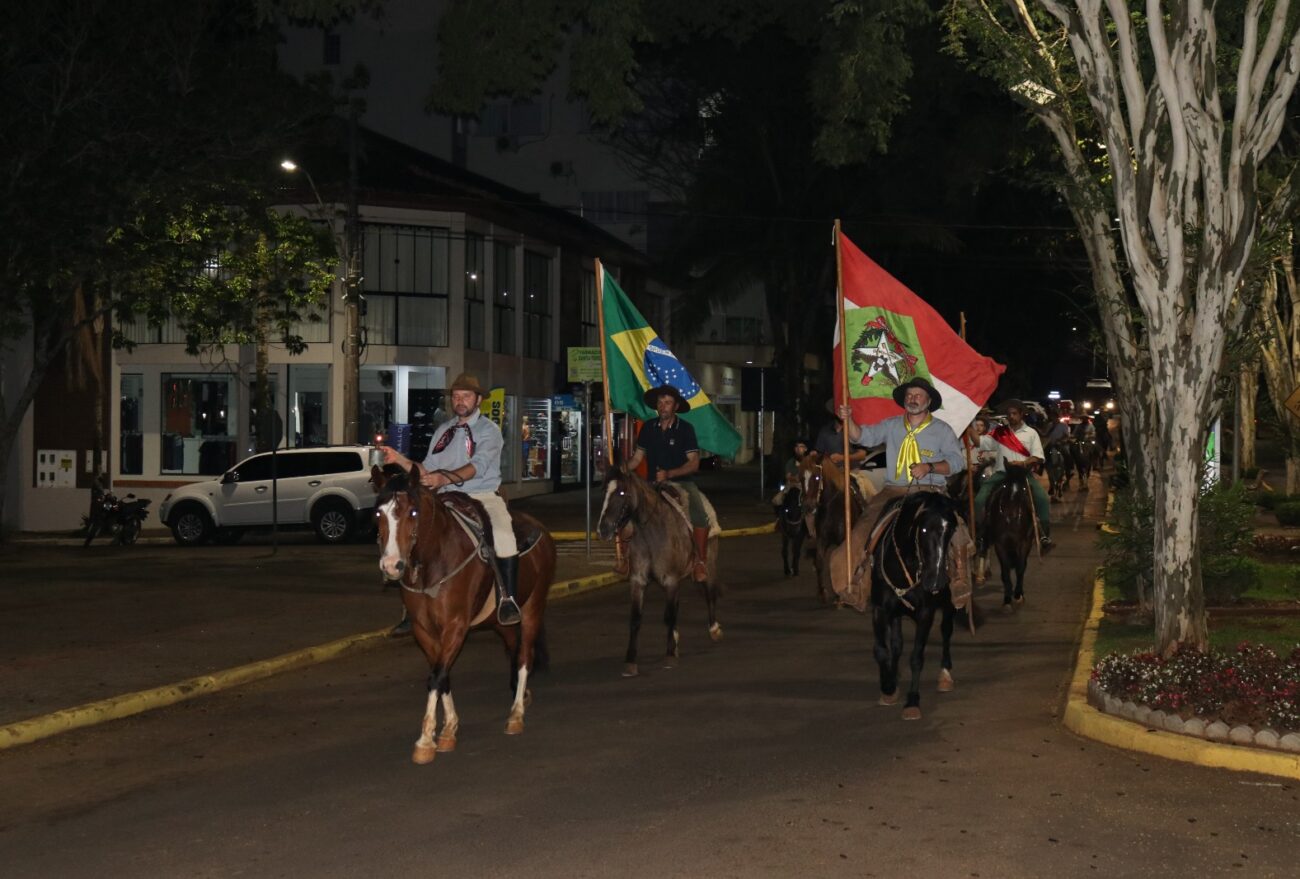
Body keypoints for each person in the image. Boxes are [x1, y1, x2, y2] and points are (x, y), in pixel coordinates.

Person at [380, 372, 523, 627]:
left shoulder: (489, 431)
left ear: (478, 400)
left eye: (466, 396)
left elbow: (477, 466)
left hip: (480, 494)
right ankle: (410, 607)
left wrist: (444, 479)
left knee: (504, 536)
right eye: (456, 396)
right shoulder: (443, 432)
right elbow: (426, 469)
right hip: (445, 497)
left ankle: (507, 598)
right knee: (412, 533)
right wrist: (398, 459)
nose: (460, 401)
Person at [827, 377, 974, 611]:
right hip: (892, 490)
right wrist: (848, 420)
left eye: (917, 395)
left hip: (931, 490)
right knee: (862, 529)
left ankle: (959, 580)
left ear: (928, 401)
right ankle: (853, 583)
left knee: (955, 527)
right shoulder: (892, 425)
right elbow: (862, 436)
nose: (912, 398)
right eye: (909, 395)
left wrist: (931, 467)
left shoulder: (942, 430)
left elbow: (957, 462)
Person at [625, 384, 713, 581]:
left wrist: (669, 474)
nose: (663, 406)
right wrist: (622, 468)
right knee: (625, 509)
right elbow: (637, 458)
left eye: (668, 403)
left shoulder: (685, 430)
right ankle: (625, 558)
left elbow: (694, 463)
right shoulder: (648, 428)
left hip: (681, 484)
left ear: (675, 407)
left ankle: (700, 561)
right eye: (660, 403)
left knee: (700, 513)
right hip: (651, 485)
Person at [975, 400, 1054, 552]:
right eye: (1009, 414)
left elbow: (1037, 456)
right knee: (979, 500)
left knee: (1042, 499)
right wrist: (969, 428)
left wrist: (1024, 463)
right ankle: (981, 533)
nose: (1011, 417)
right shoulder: (999, 432)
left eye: (1014, 414)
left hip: (1022, 474)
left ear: (1021, 414)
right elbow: (980, 442)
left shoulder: (1031, 433)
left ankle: (1045, 536)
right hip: (1001, 473)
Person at [770, 440, 809, 508]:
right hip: (792, 485)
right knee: (777, 500)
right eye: (796, 447)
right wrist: (795, 478)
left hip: (806, 486)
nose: (798, 449)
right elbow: (788, 476)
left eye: (801, 447)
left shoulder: (809, 462)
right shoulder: (791, 462)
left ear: (805, 449)